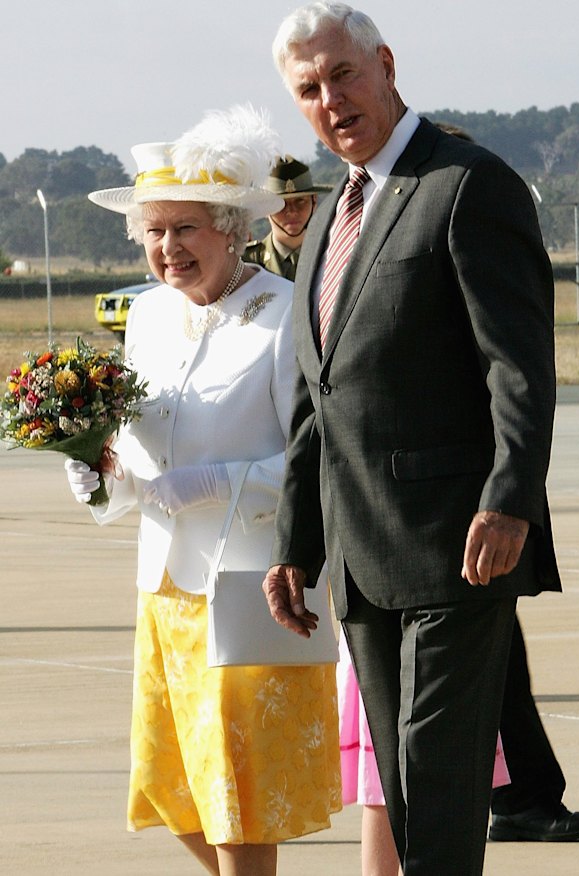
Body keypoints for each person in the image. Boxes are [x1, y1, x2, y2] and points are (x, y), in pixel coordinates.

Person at [262, 4, 561, 875]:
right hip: (360, 559)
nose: (331, 100)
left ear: (386, 65)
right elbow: (321, 396)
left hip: (456, 547)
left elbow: (519, 369)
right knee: (402, 787)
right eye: (309, 90)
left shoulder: (468, 183)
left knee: (435, 784)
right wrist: (296, 541)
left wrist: (510, 503)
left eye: (343, 75)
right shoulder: (329, 215)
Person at [64, 104, 341, 876]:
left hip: (255, 586)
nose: (166, 248)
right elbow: (137, 451)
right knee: (172, 787)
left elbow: (323, 458)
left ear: (232, 228)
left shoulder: (289, 318)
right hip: (163, 590)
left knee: (241, 799)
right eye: (154, 231)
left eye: (185, 228)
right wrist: (96, 471)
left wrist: (226, 483)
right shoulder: (148, 318)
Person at [434, 122, 579, 843]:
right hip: (407, 515)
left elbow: (517, 373)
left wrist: (506, 498)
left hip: (469, 504)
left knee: (488, 664)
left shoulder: (468, 219)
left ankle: (522, 794)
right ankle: (522, 794)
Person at [244, 154, 331, 279]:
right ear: (265, 207)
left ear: (314, 201)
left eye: (300, 200)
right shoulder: (246, 263)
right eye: (281, 203)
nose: (291, 211)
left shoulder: (334, 254)